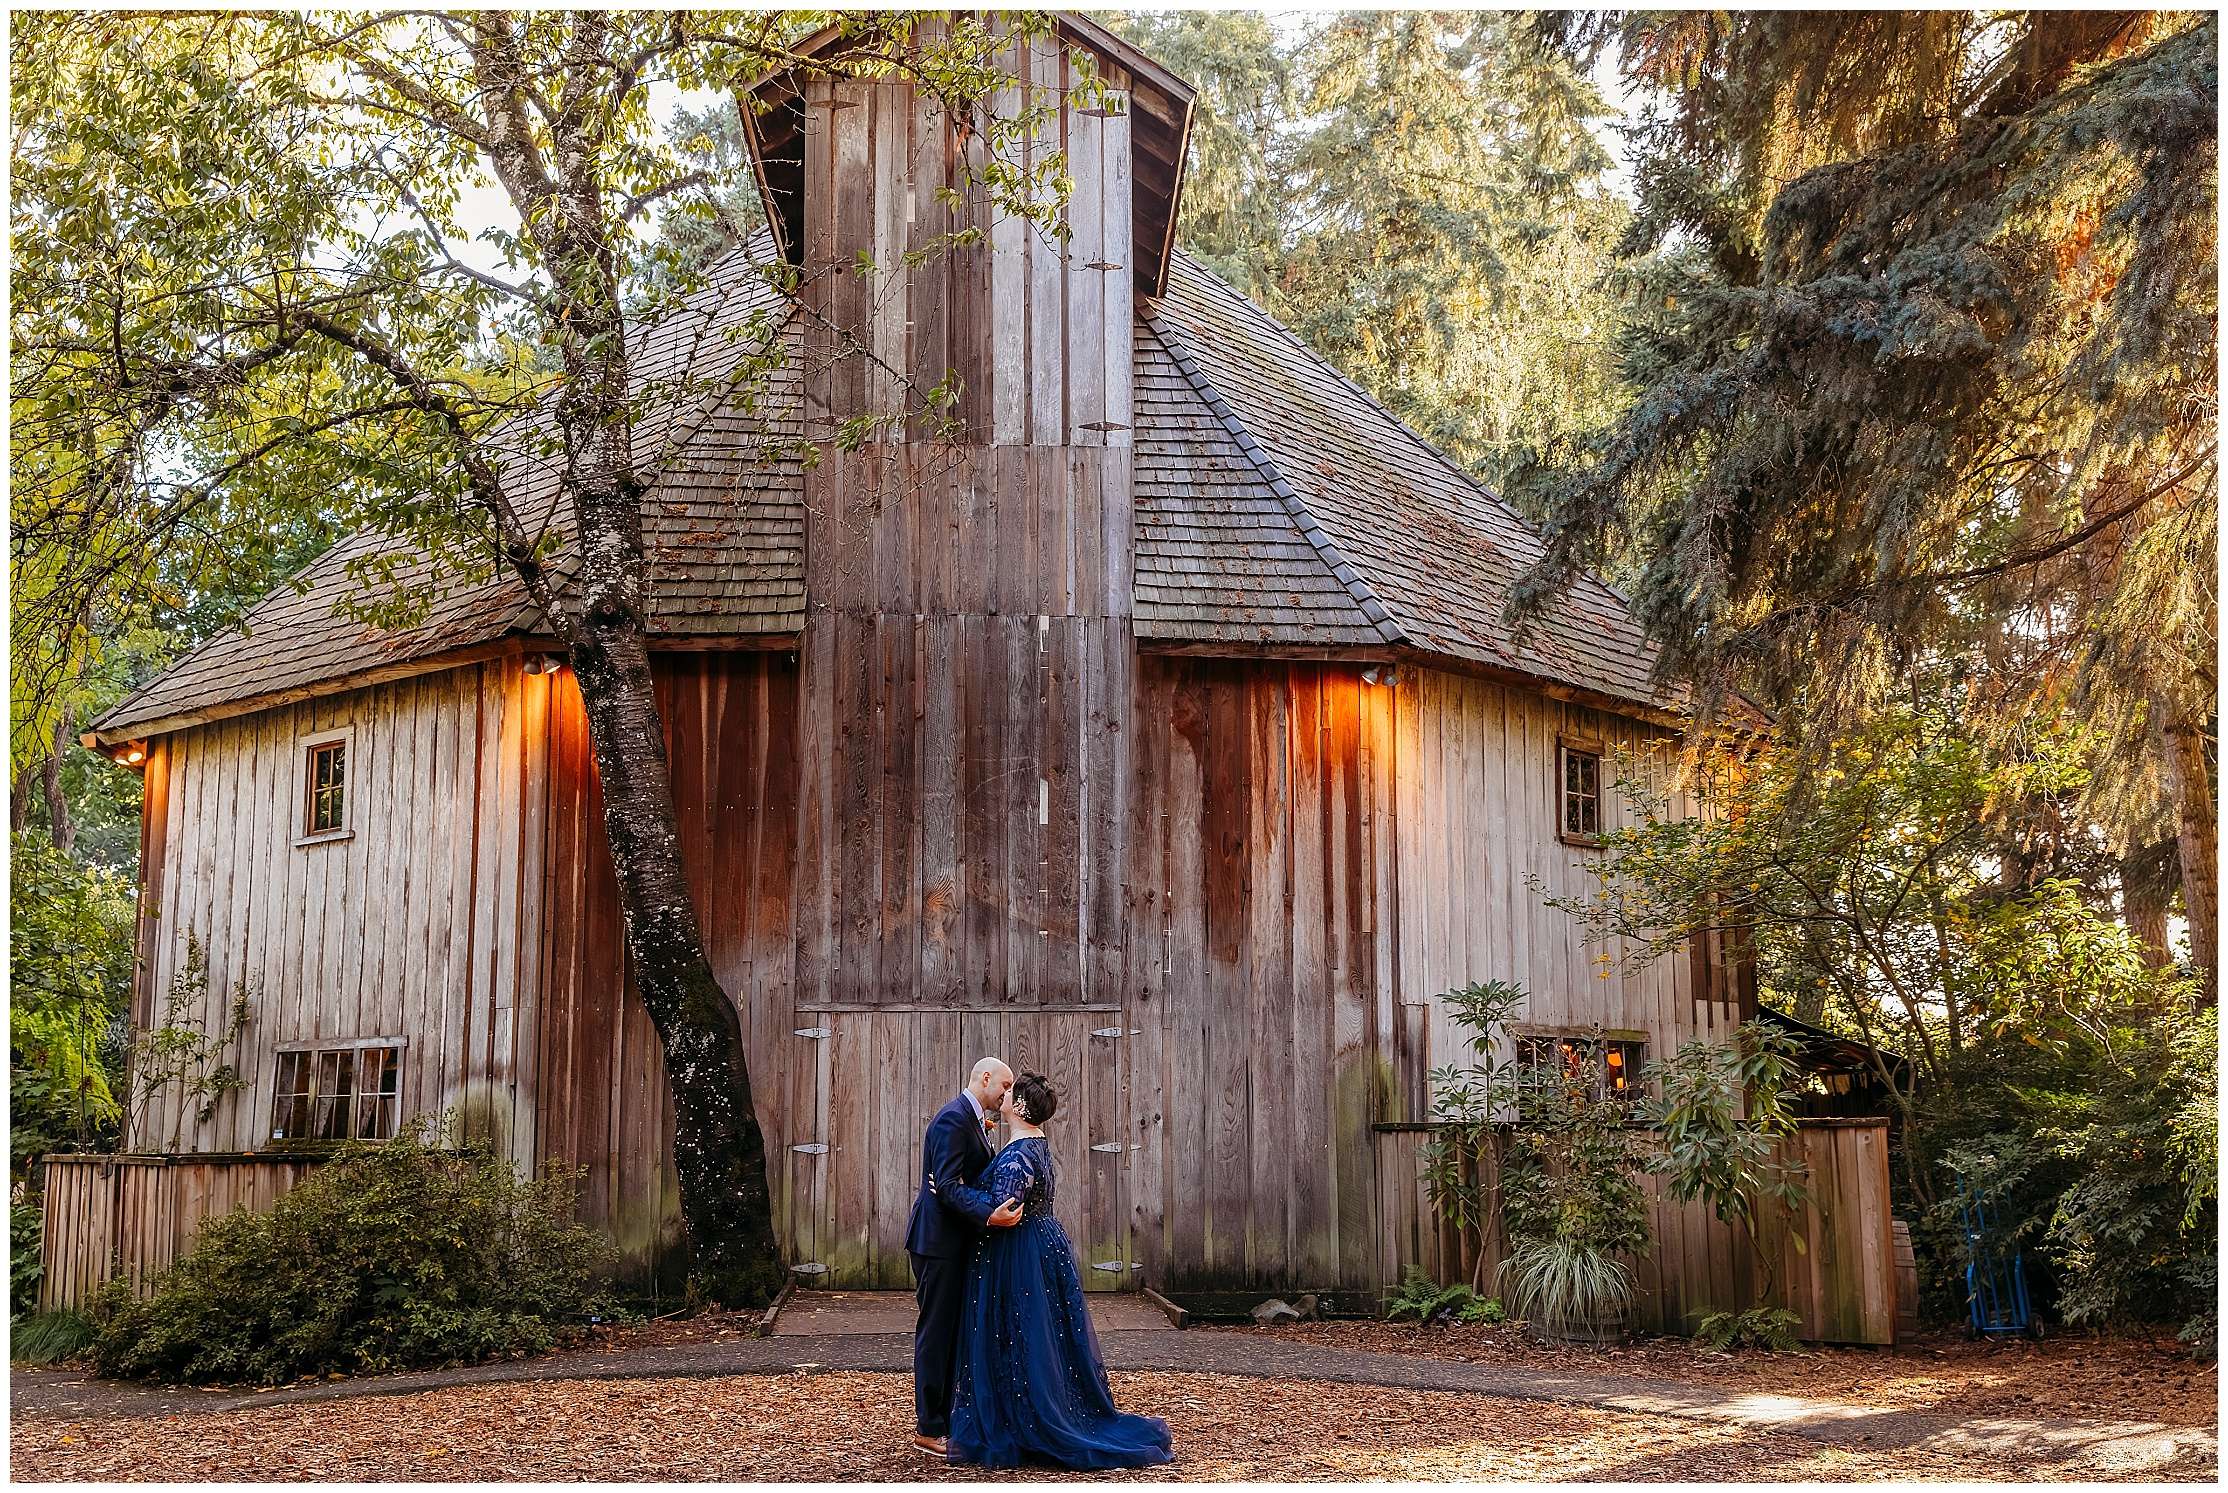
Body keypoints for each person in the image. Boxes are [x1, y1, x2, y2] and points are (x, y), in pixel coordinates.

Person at [946, 1071, 1175, 1470]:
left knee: (1021, 1331)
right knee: (1042, 1333)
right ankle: (1038, 1404)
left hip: (1020, 1250)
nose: (1004, 1094)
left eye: (1010, 1092)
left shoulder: (1018, 1154)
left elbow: (1007, 1210)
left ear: (1019, 1106)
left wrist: (955, 1190)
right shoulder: (1034, 1142)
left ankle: (1028, 1417)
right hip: (1045, 1242)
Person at [904, 1057, 1023, 1458]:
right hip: (937, 1244)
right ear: (984, 1078)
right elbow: (948, 1187)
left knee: (953, 1331)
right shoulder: (952, 1120)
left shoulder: (973, 1120)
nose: (1008, 1095)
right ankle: (929, 1428)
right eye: (1004, 1086)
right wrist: (989, 1213)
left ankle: (947, 1418)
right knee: (936, 1332)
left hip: (954, 1242)